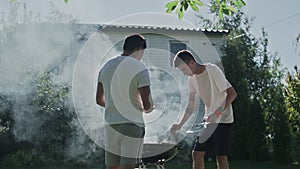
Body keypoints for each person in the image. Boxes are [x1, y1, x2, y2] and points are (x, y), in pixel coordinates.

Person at [170, 50, 237, 169]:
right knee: (197, 154)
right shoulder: (191, 80)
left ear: (191, 62)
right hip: (209, 122)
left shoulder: (212, 70)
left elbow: (232, 93)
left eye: (184, 69)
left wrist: (217, 113)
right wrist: (180, 125)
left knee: (221, 157)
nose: (184, 73)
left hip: (224, 121)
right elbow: (191, 105)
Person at [96, 34, 154, 169]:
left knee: (113, 167)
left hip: (111, 125)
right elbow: (147, 105)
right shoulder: (139, 67)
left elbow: (99, 100)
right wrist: (150, 108)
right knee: (129, 167)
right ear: (139, 48)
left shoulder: (106, 67)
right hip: (132, 125)